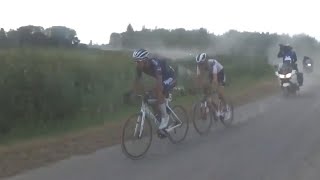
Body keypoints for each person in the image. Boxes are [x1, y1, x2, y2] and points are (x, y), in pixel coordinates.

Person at [132, 48, 176, 130]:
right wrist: (135, 93)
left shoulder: (156, 63)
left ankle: (165, 117)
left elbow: (159, 82)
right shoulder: (139, 67)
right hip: (162, 79)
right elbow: (137, 82)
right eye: (135, 61)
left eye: (138, 61)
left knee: (158, 91)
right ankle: (159, 114)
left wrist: (157, 91)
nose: (136, 64)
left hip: (170, 77)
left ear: (145, 60)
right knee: (150, 97)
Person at [195, 53, 226, 117]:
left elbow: (215, 79)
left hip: (219, 73)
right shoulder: (199, 66)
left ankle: (225, 107)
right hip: (210, 74)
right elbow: (199, 79)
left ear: (206, 61)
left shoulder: (212, 63)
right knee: (206, 89)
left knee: (219, 91)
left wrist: (213, 88)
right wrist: (197, 87)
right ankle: (214, 108)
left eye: (201, 63)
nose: (200, 65)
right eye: (199, 64)